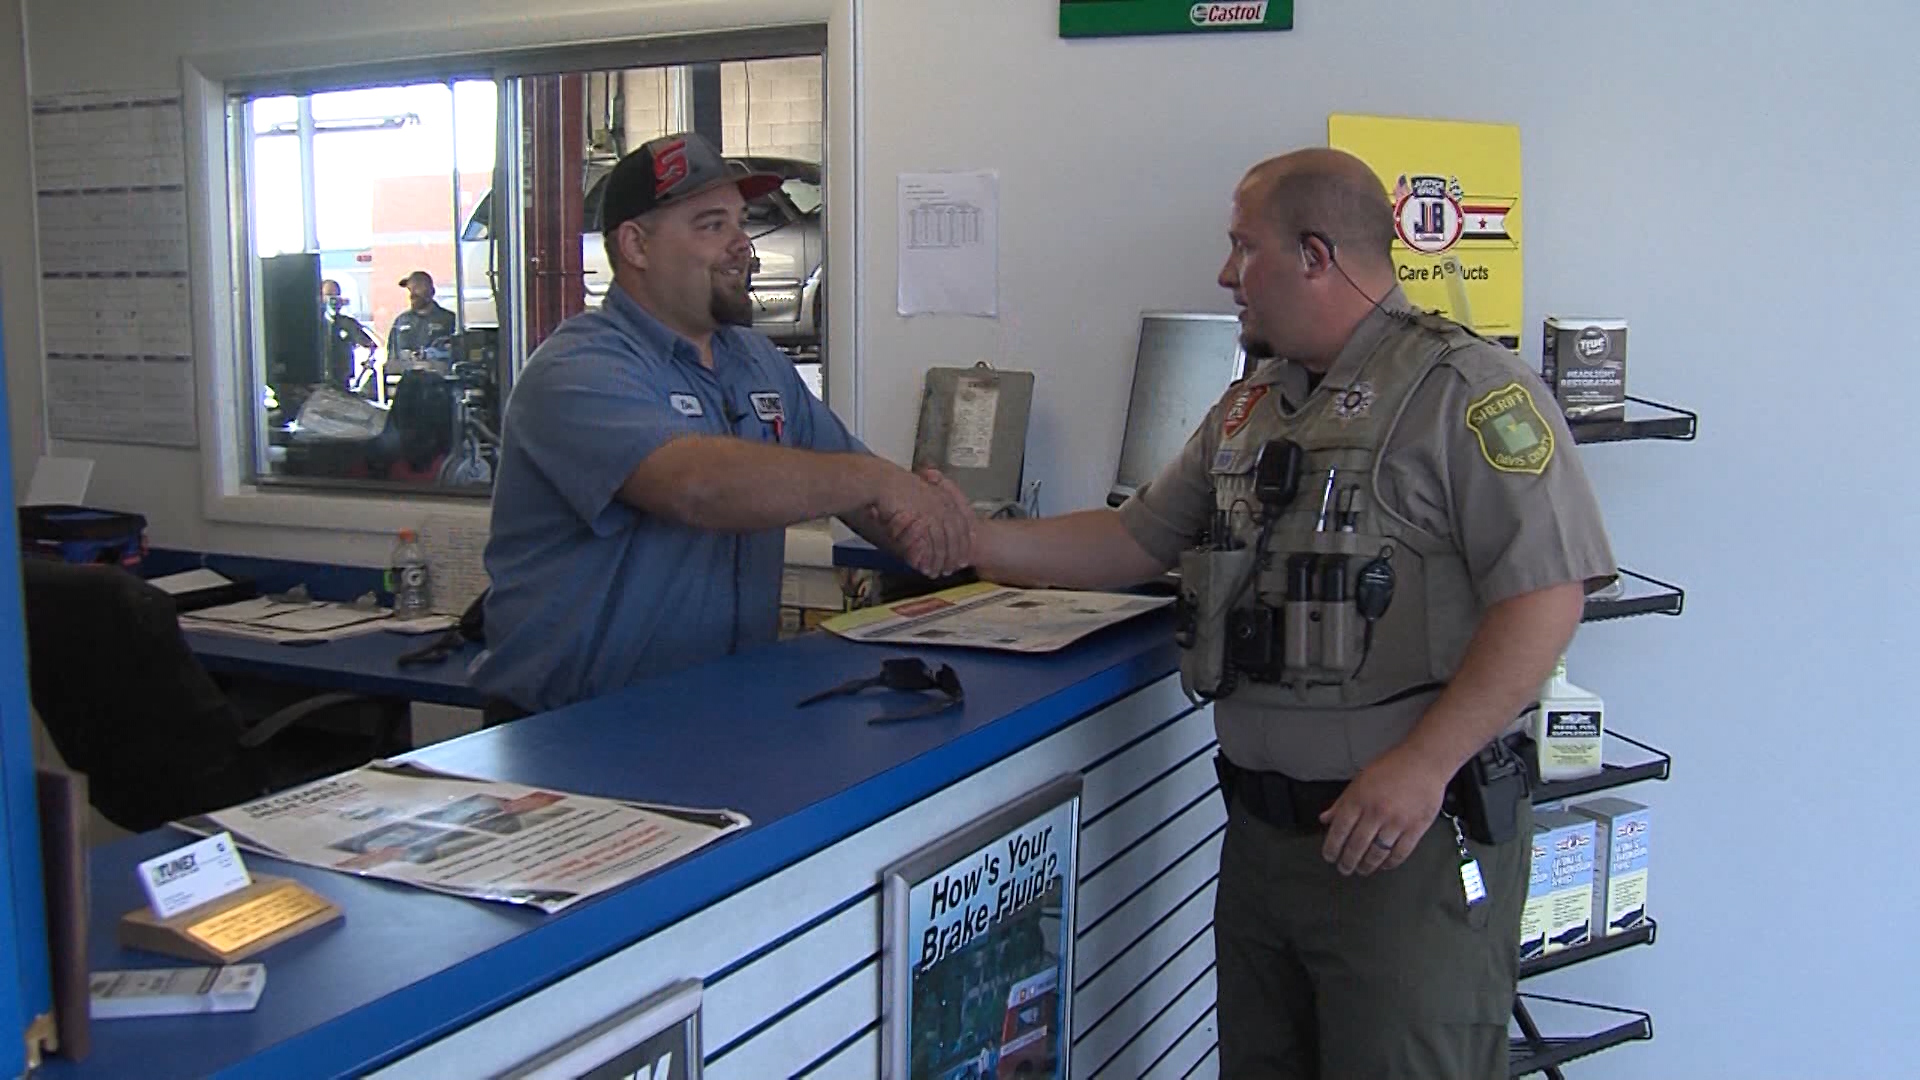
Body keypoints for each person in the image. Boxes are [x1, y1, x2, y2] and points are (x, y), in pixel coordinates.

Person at [968, 148, 1616, 1078]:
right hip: (1264, 847)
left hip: (1403, 850)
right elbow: (1132, 541)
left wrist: (1424, 765)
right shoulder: (1252, 407)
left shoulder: (1468, 392)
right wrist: (970, 541)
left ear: (1316, 255)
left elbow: (1549, 593)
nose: (1225, 274)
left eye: (1244, 247)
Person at [473, 132, 971, 717]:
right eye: (712, 225)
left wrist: (950, 530)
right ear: (635, 245)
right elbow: (698, 487)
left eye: (741, 222)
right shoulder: (579, 368)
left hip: (717, 714)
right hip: (571, 730)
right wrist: (877, 480)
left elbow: (871, 503)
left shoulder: (757, 362)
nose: (742, 246)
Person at [386, 270, 457, 368]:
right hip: (406, 376)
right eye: (410, 289)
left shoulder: (449, 320)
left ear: (431, 291)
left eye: (417, 288)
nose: (412, 295)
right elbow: (391, 361)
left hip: (438, 376)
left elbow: (456, 358)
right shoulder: (401, 321)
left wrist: (432, 364)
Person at [321, 279, 376, 390]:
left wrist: (362, 371)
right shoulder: (313, 325)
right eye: (329, 295)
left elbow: (371, 345)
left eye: (336, 296)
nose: (333, 300)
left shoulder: (347, 323)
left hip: (341, 382)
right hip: (318, 381)